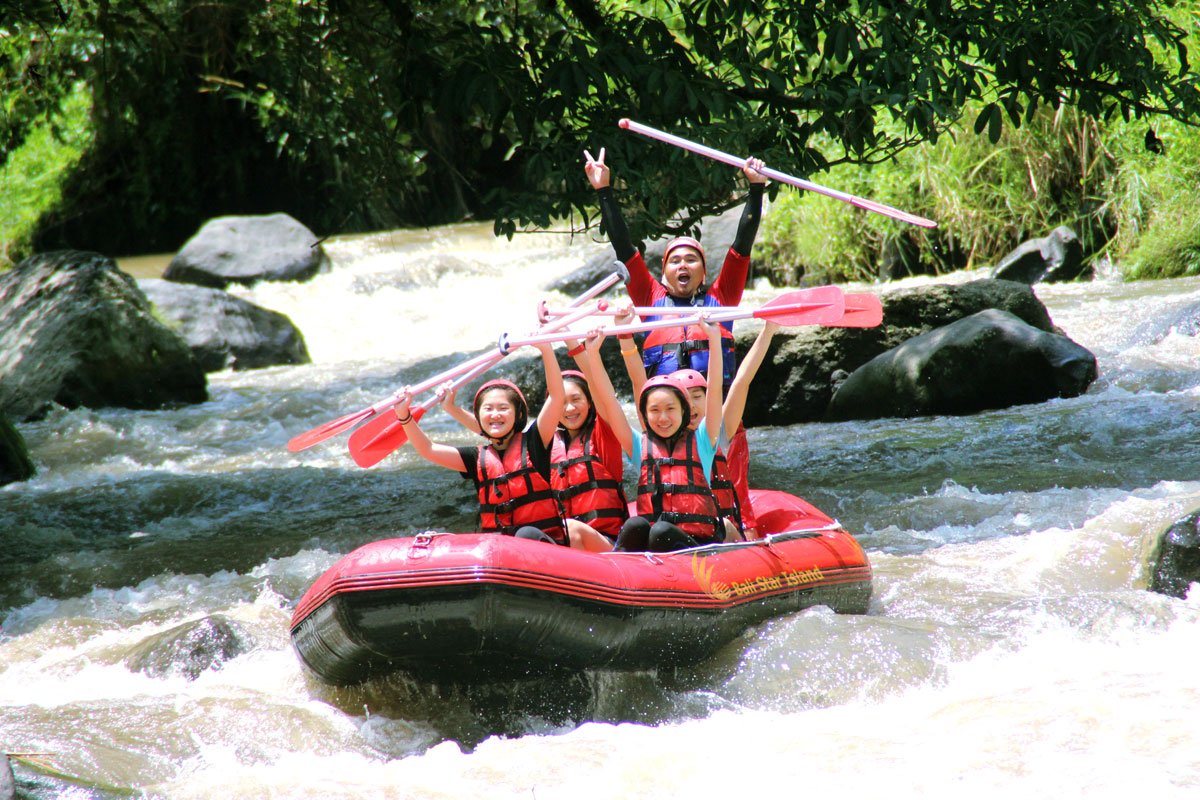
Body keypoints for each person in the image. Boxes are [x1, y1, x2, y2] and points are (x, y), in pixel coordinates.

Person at [583, 147, 767, 532]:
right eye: (675, 261)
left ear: (703, 271)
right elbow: (624, 248)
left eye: (691, 259)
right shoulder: (649, 299)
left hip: (713, 414)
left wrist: (755, 190)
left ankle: (742, 532)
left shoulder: (721, 299)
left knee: (730, 487)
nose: (683, 265)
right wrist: (604, 191)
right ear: (664, 272)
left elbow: (742, 246)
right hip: (664, 416)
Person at [390, 341, 568, 544]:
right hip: (500, 550)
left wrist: (546, 349)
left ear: (518, 414)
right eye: (488, 409)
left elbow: (556, 396)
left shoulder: (535, 442)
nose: (495, 414)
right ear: (479, 415)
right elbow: (428, 449)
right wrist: (404, 416)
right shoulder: (476, 459)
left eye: (503, 408)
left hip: (543, 548)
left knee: (525, 534)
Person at [588, 314, 736, 552]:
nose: (663, 418)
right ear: (645, 415)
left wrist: (714, 338)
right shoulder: (639, 446)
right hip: (656, 549)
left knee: (661, 530)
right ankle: (622, 568)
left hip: (697, 546)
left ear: (684, 411)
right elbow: (608, 401)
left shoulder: (703, 440)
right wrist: (593, 354)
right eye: (655, 410)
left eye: (670, 409)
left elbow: (715, 388)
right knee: (636, 525)